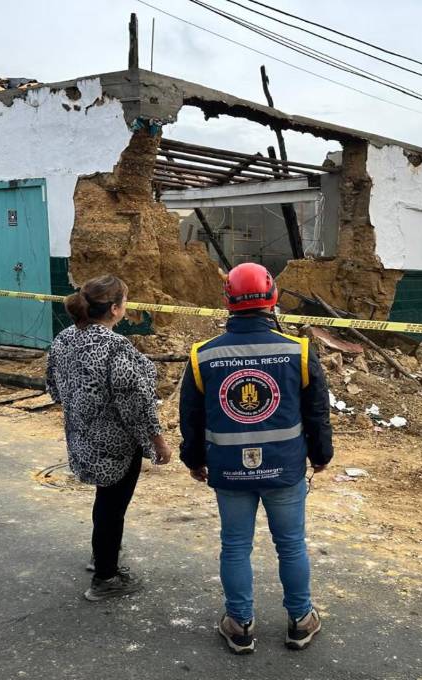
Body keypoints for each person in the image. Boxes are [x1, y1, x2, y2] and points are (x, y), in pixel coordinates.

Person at [179, 262, 333, 654]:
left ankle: (240, 624)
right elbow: (316, 412)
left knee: (234, 546)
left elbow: (191, 419)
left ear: (228, 301)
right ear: (273, 298)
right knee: (291, 545)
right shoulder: (298, 351)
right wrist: (320, 455)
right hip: (284, 468)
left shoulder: (203, 356)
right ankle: (300, 620)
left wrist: (193, 459)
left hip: (229, 470)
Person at [46, 274, 171, 602]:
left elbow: (54, 388)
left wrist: (81, 411)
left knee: (105, 502)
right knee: (112, 507)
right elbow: (136, 402)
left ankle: (101, 555)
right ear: (115, 309)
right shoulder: (115, 348)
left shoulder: (64, 339)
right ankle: (105, 577)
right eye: (125, 301)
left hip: (81, 438)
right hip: (115, 446)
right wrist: (157, 440)